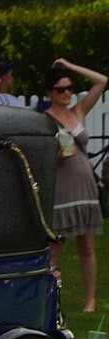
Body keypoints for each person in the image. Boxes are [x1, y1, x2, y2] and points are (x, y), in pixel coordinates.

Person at [43, 59, 108, 311]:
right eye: (60, 89)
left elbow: (101, 81)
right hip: (62, 187)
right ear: (49, 93)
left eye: (69, 88)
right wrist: (58, 156)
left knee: (87, 246)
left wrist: (69, 65)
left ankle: (90, 301)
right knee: (54, 249)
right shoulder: (45, 120)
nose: (67, 93)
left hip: (85, 186)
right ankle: (50, 299)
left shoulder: (77, 111)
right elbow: (42, 157)